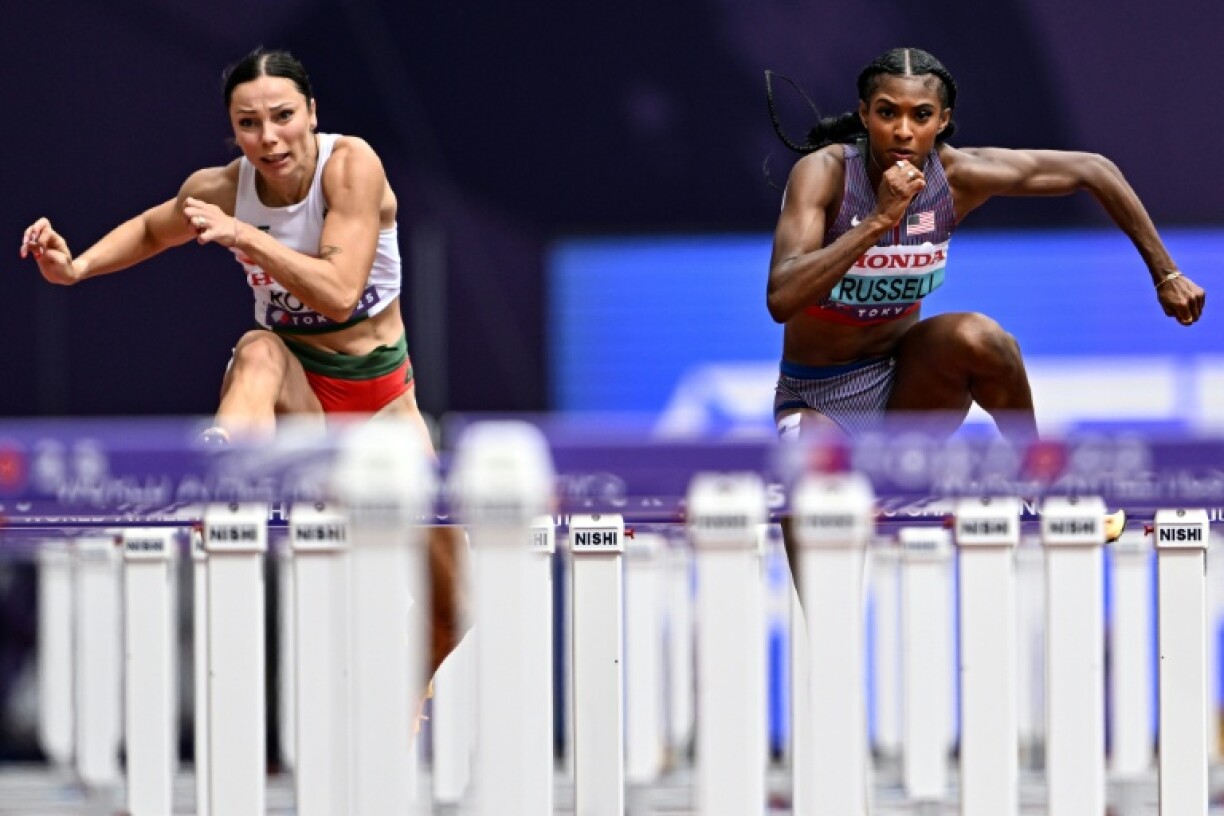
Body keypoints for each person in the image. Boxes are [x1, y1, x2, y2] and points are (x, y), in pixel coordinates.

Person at [19, 47, 465, 680]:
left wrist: (244, 236)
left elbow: (339, 292)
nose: (269, 138)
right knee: (259, 348)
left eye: (282, 116)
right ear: (233, 130)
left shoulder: (351, 167)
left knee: (455, 610)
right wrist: (77, 266)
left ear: (311, 113)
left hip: (383, 408)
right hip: (297, 397)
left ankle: (400, 702)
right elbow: (153, 227)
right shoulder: (223, 188)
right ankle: (222, 482)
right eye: (249, 124)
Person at [766, 47, 1206, 542]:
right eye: (888, 112)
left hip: (903, 392)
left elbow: (1095, 170)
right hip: (816, 399)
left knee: (980, 337)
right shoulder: (825, 174)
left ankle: (1041, 486)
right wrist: (879, 222)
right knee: (814, 515)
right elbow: (782, 297)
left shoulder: (958, 177)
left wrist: (1166, 274)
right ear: (866, 114)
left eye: (921, 115)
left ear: (944, 121)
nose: (904, 131)